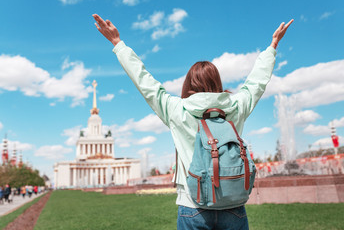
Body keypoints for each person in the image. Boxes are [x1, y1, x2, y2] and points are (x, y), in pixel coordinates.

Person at [93, 14, 293, 230]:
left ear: (189, 84)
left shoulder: (176, 109)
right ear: (217, 83)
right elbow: (256, 83)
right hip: (233, 205)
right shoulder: (235, 107)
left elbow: (145, 82)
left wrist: (118, 43)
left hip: (192, 205)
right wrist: (272, 47)